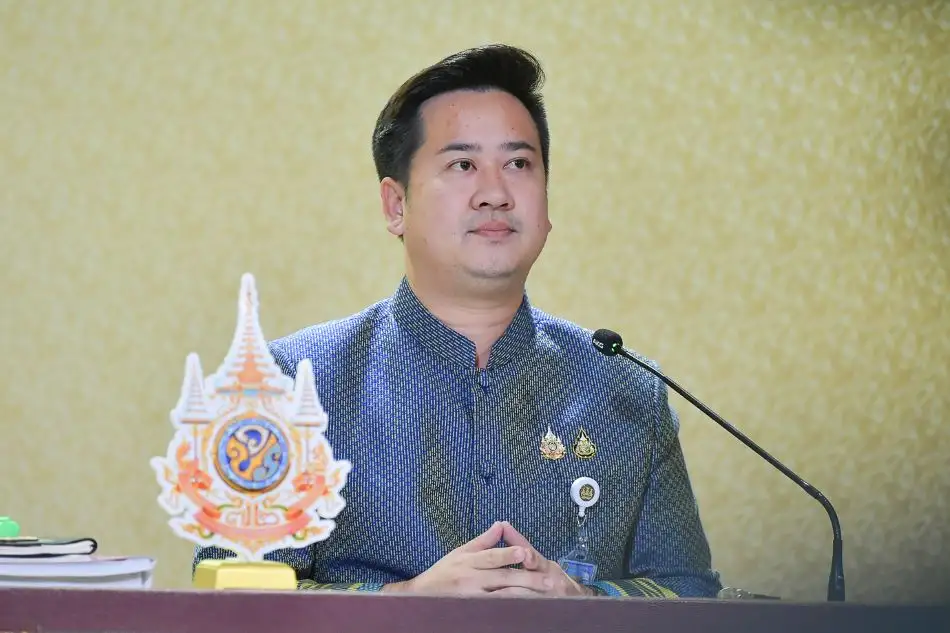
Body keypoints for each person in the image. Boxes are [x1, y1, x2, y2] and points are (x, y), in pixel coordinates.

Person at [193, 43, 721, 599]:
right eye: (463, 165)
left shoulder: (627, 388)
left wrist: (586, 602)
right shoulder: (283, 384)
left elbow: (690, 590)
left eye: (519, 164)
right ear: (396, 206)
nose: (495, 193)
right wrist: (404, 605)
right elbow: (232, 598)